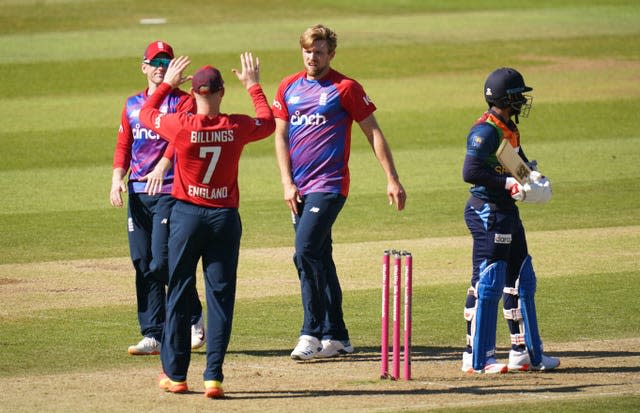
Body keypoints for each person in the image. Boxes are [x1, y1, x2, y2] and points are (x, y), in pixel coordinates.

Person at [139, 52, 275, 398]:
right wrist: (254, 85)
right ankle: (213, 376)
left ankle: (177, 374)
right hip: (224, 219)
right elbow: (269, 122)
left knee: (180, 292)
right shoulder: (236, 126)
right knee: (220, 298)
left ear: (195, 93)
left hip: (187, 217)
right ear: (220, 92)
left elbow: (146, 113)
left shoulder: (181, 126)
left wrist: (167, 84)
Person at [272, 24, 406, 361]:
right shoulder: (289, 86)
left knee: (303, 253)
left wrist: (392, 178)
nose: (312, 57)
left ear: (331, 53)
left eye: (318, 52)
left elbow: (373, 132)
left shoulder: (345, 88)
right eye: (307, 51)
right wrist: (287, 182)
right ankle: (338, 336)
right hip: (298, 189)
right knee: (319, 257)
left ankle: (311, 332)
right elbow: (280, 137)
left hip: (329, 186)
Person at [461, 67, 560, 373]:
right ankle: (476, 359)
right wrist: (509, 185)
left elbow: (517, 167)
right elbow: (471, 172)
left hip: (506, 211)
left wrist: (533, 178)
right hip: (487, 210)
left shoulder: (508, 128)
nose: (522, 101)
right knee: (488, 281)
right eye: (518, 96)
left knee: (521, 278)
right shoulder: (485, 131)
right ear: (505, 98)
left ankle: (524, 352)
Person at [110, 40, 206, 356]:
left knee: (163, 262)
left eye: (166, 62)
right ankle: (154, 333)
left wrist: (162, 166)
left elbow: (180, 140)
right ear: (144, 66)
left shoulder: (184, 102)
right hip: (138, 193)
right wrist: (116, 180)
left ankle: (193, 318)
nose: (161, 67)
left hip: (169, 191)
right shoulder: (133, 104)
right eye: (155, 62)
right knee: (142, 263)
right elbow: (125, 143)